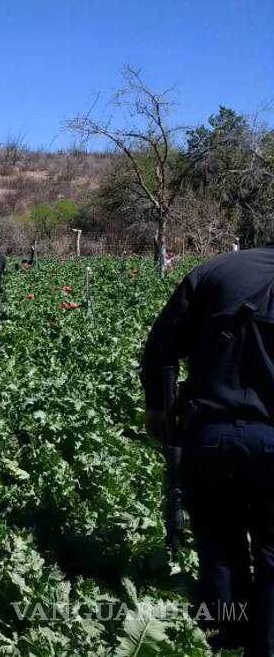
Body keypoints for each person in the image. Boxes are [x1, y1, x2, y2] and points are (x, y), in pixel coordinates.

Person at [142, 245, 274, 655]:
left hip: (210, 437)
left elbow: (160, 349)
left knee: (219, 553)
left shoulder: (216, 271)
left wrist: (156, 410)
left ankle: (225, 644)